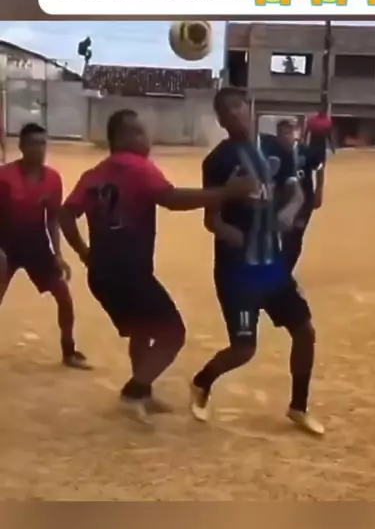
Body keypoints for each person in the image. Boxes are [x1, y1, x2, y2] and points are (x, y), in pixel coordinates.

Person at [58, 108, 257, 428]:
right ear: (123, 137)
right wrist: (227, 192)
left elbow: (65, 214)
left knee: (141, 329)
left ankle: (144, 391)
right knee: (173, 333)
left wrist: (84, 252)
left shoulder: (94, 174)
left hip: (102, 274)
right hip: (130, 272)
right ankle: (133, 392)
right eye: (140, 131)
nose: (146, 138)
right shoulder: (139, 167)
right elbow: (171, 198)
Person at [189, 87, 324, 436]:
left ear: (249, 107)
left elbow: (295, 192)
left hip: (272, 265)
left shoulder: (275, 148)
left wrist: (289, 212)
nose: (234, 113)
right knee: (244, 349)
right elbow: (211, 219)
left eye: (238, 105)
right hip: (237, 270)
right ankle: (202, 382)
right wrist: (229, 232)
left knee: (305, 332)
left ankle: (298, 407)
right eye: (226, 110)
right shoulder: (218, 162)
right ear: (220, 120)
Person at [0, 122, 88, 368]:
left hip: (36, 246)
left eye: (42, 143)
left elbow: (52, 219)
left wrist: (57, 254)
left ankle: (69, 351)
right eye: (33, 144)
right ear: (21, 146)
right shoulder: (4, 177)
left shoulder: (52, 179)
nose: (38, 149)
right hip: (5, 245)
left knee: (64, 298)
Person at [276, 117, 324, 272]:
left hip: (304, 202)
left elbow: (319, 167)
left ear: (296, 133)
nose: (286, 137)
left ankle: (286, 270)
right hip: (281, 202)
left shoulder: (306, 151)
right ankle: (281, 269)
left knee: (295, 237)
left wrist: (319, 190)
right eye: (282, 134)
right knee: (283, 236)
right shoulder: (274, 153)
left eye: (289, 132)